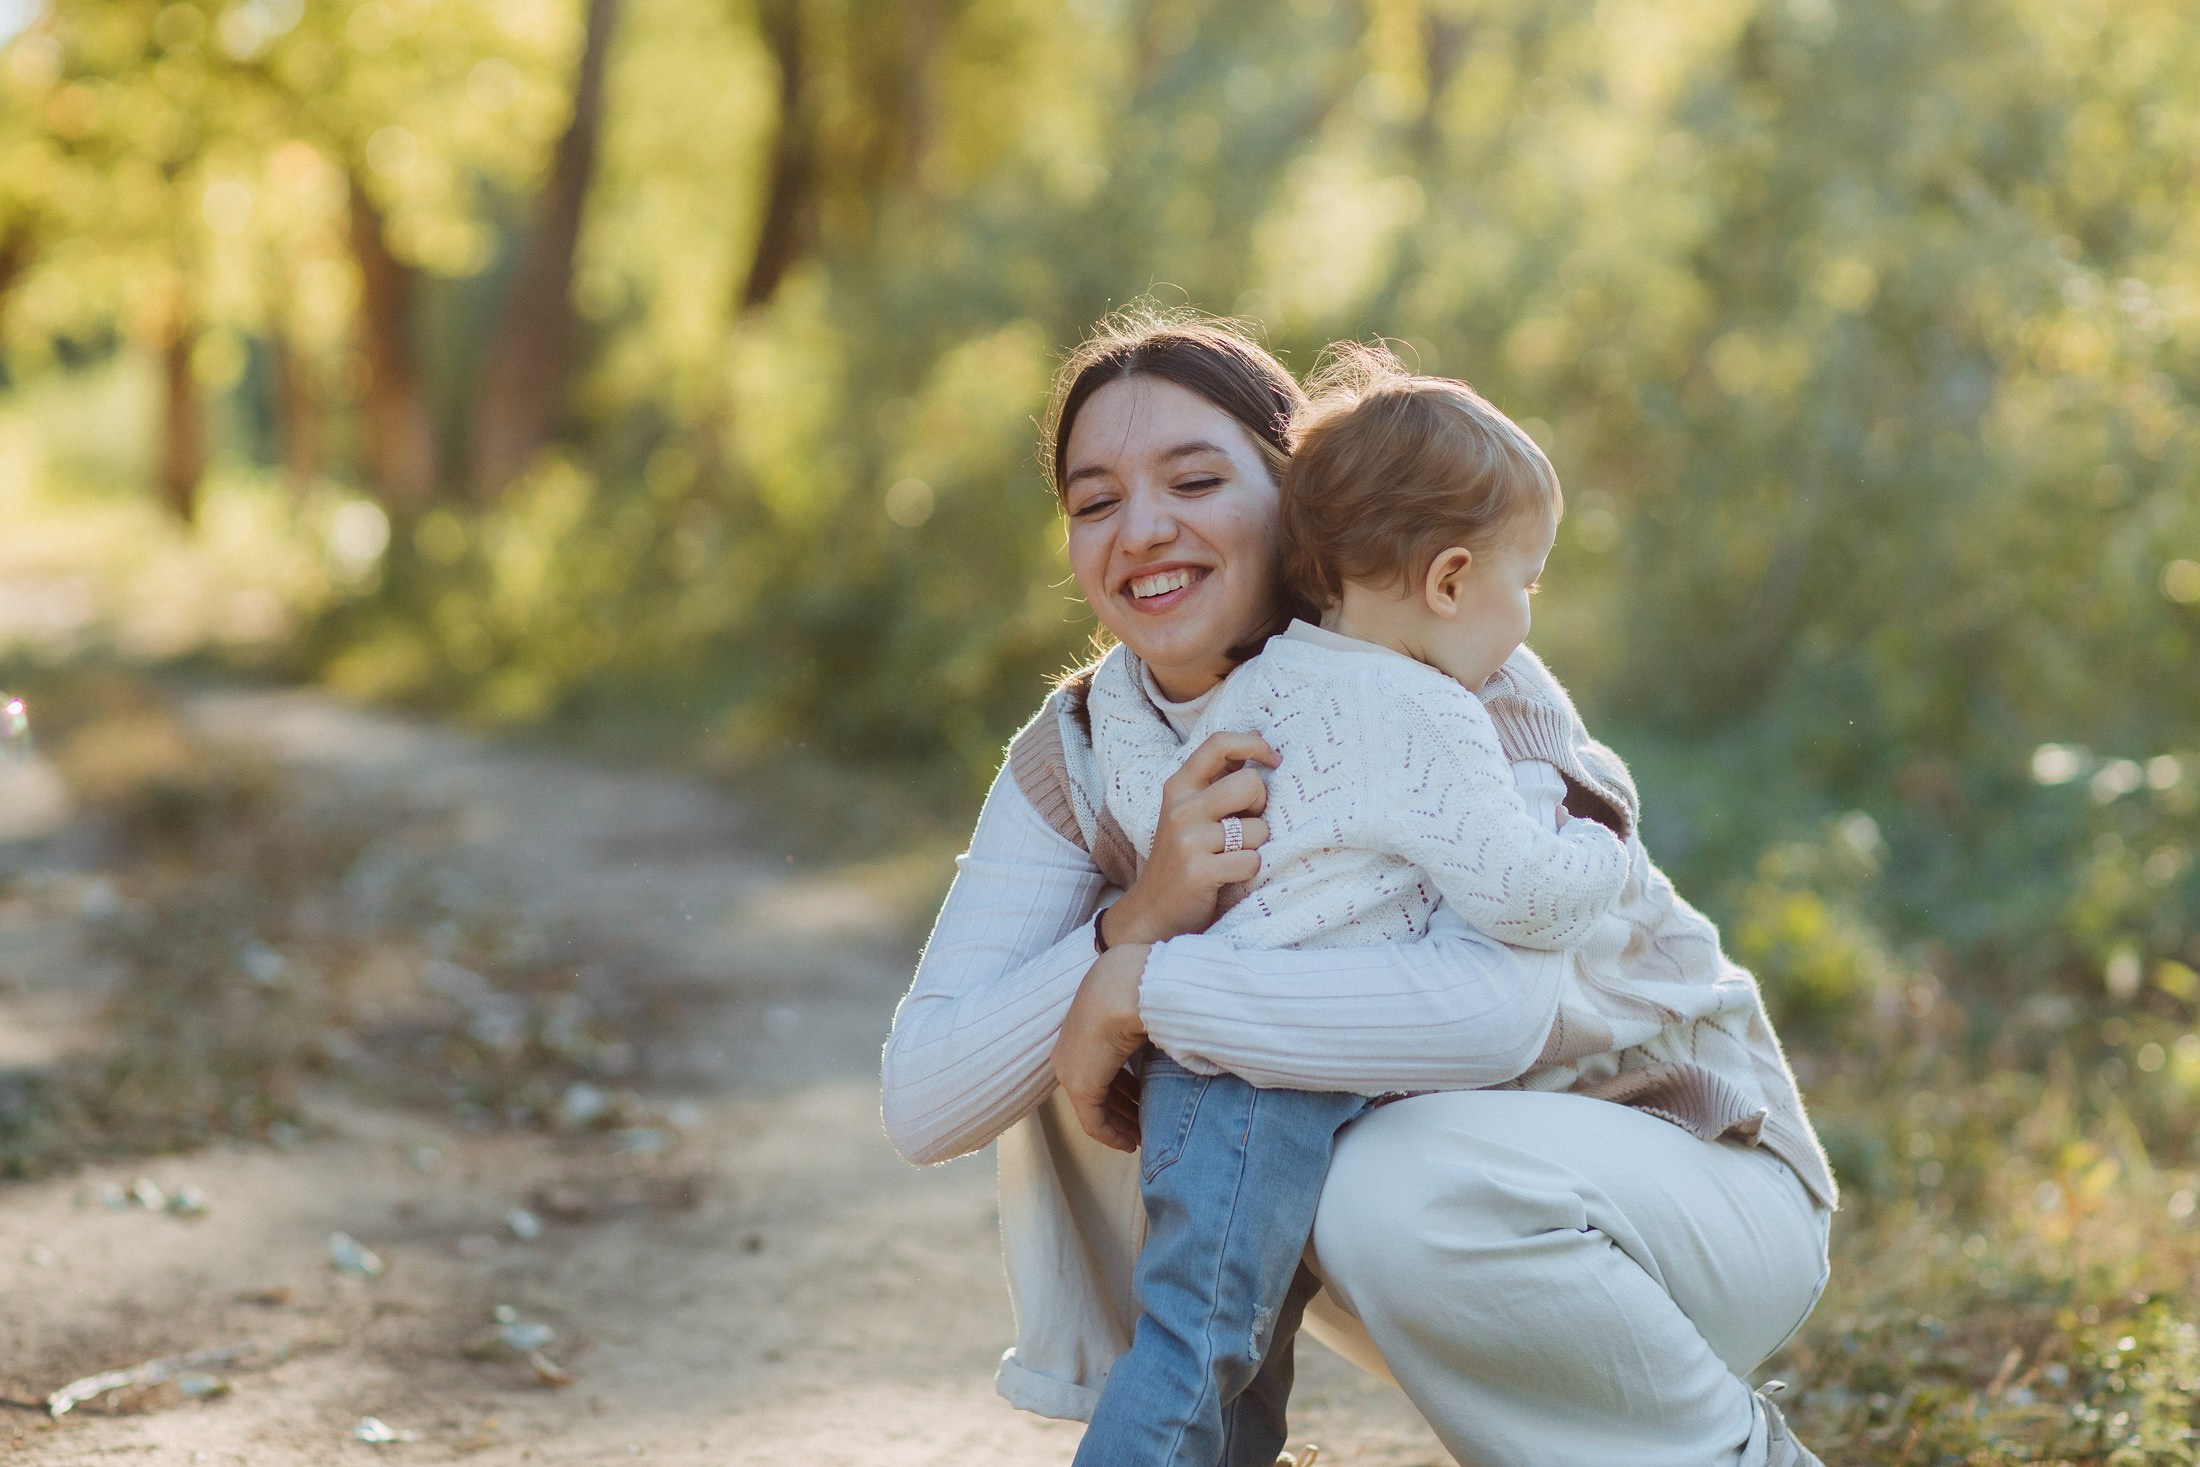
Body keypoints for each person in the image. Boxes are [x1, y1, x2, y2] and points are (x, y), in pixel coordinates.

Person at [880, 308, 1836, 1467]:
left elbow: (1496, 1016)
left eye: (1194, 480)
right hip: (1426, 1218)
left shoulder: (1452, 679)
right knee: (1150, 1076)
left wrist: (1142, 985)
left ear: (1299, 496)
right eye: (1094, 502)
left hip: (1677, 1176)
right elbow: (927, 1097)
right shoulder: (1088, 743)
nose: (1141, 530)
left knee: (1373, 1173)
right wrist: (1137, 919)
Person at [1064, 346, 1645, 1467]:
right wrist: (1596, 831)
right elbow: (1522, 897)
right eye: (1527, 582)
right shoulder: (1419, 711)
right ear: (1447, 581)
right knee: (1201, 1353)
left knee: (1233, 1358)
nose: (1525, 621)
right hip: (1258, 1083)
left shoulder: (1274, 674)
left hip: (1216, 1069)